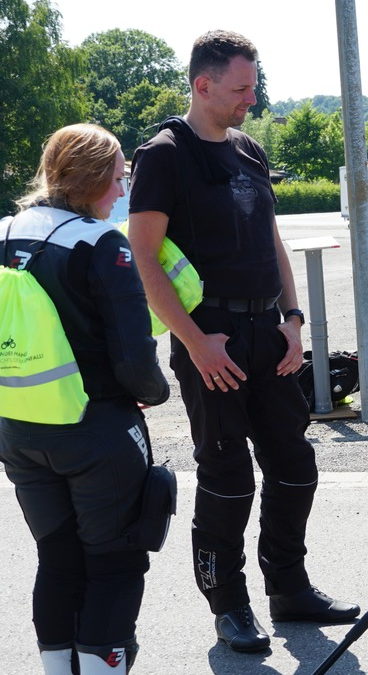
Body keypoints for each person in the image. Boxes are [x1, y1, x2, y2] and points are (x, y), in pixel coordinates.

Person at [127, 30, 358, 654]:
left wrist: (293, 319)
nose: (251, 100)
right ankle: (228, 604)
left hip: (268, 335)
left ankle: (289, 587)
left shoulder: (249, 150)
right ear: (203, 85)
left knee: (295, 466)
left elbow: (271, 239)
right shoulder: (164, 155)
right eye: (241, 89)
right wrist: (195, 342)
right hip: (212, 342)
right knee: (228, 476)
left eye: (253, 87)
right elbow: (144, 258)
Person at [1, 124, 170, 675]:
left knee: (57, 559)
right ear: (92, 177)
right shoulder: (100, 242)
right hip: (94, 428)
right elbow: (133, 356)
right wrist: (154, 393)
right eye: (118, 178)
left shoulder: (5, 232)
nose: (122, 191)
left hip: (18, 427)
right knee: (115, 563)